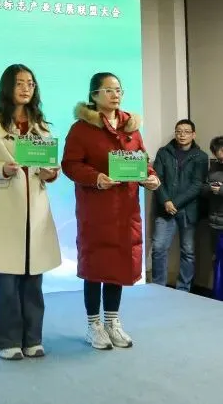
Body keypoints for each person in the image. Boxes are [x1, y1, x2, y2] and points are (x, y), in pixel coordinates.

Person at [61, 72, 159, 351]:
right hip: (96, 209)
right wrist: (96, 178)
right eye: (109, 90)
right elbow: (70, 164)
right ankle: (93, 325)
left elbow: (141, 160)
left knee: (118, 264)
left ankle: (112, 322)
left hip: (126, 209)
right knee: (95, 266)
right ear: (94, 95)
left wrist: (151, 176)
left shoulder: (131, 127)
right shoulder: (82, 129)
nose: (116, 95)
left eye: (119, 90)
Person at [0, 65, 61, 360]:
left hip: (34, 208)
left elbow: (50, 164)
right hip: (3, 206)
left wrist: (51, 172)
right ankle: (6, 340)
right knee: (5, 279)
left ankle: (32, 338)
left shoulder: (40, 125)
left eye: (30, 83)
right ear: (7, 87)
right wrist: (0, 168)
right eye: (20, 83)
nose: (26, 88)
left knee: (33, 276)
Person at [150, 119, 208, 291]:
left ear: (193, 135)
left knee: (188, 252)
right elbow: (156, 178)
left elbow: (197, 185)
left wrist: (174, 203)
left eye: (186, 132)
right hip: (164, 209)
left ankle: (183, 289)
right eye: (178, 131)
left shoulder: (201, 156)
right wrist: (166, 201)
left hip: (189, 210)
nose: (182, 135)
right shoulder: (163, 152)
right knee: (159, 248)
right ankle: (158, 288)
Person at [202, 136, 223, 301]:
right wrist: (210, 188)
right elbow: (202, 188)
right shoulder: (213, 167)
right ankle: (218, 296)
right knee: (217, 259)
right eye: (218, 151)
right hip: (215, 222)